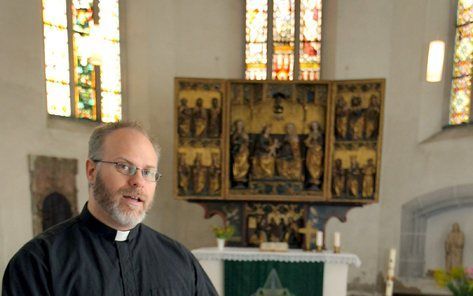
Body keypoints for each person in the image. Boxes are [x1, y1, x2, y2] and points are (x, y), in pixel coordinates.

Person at [2, 122, 217, 296]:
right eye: (124, 166)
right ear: (91, 171)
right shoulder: (38, 262)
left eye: (148, 172)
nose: (138, 182)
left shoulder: (179, 258)